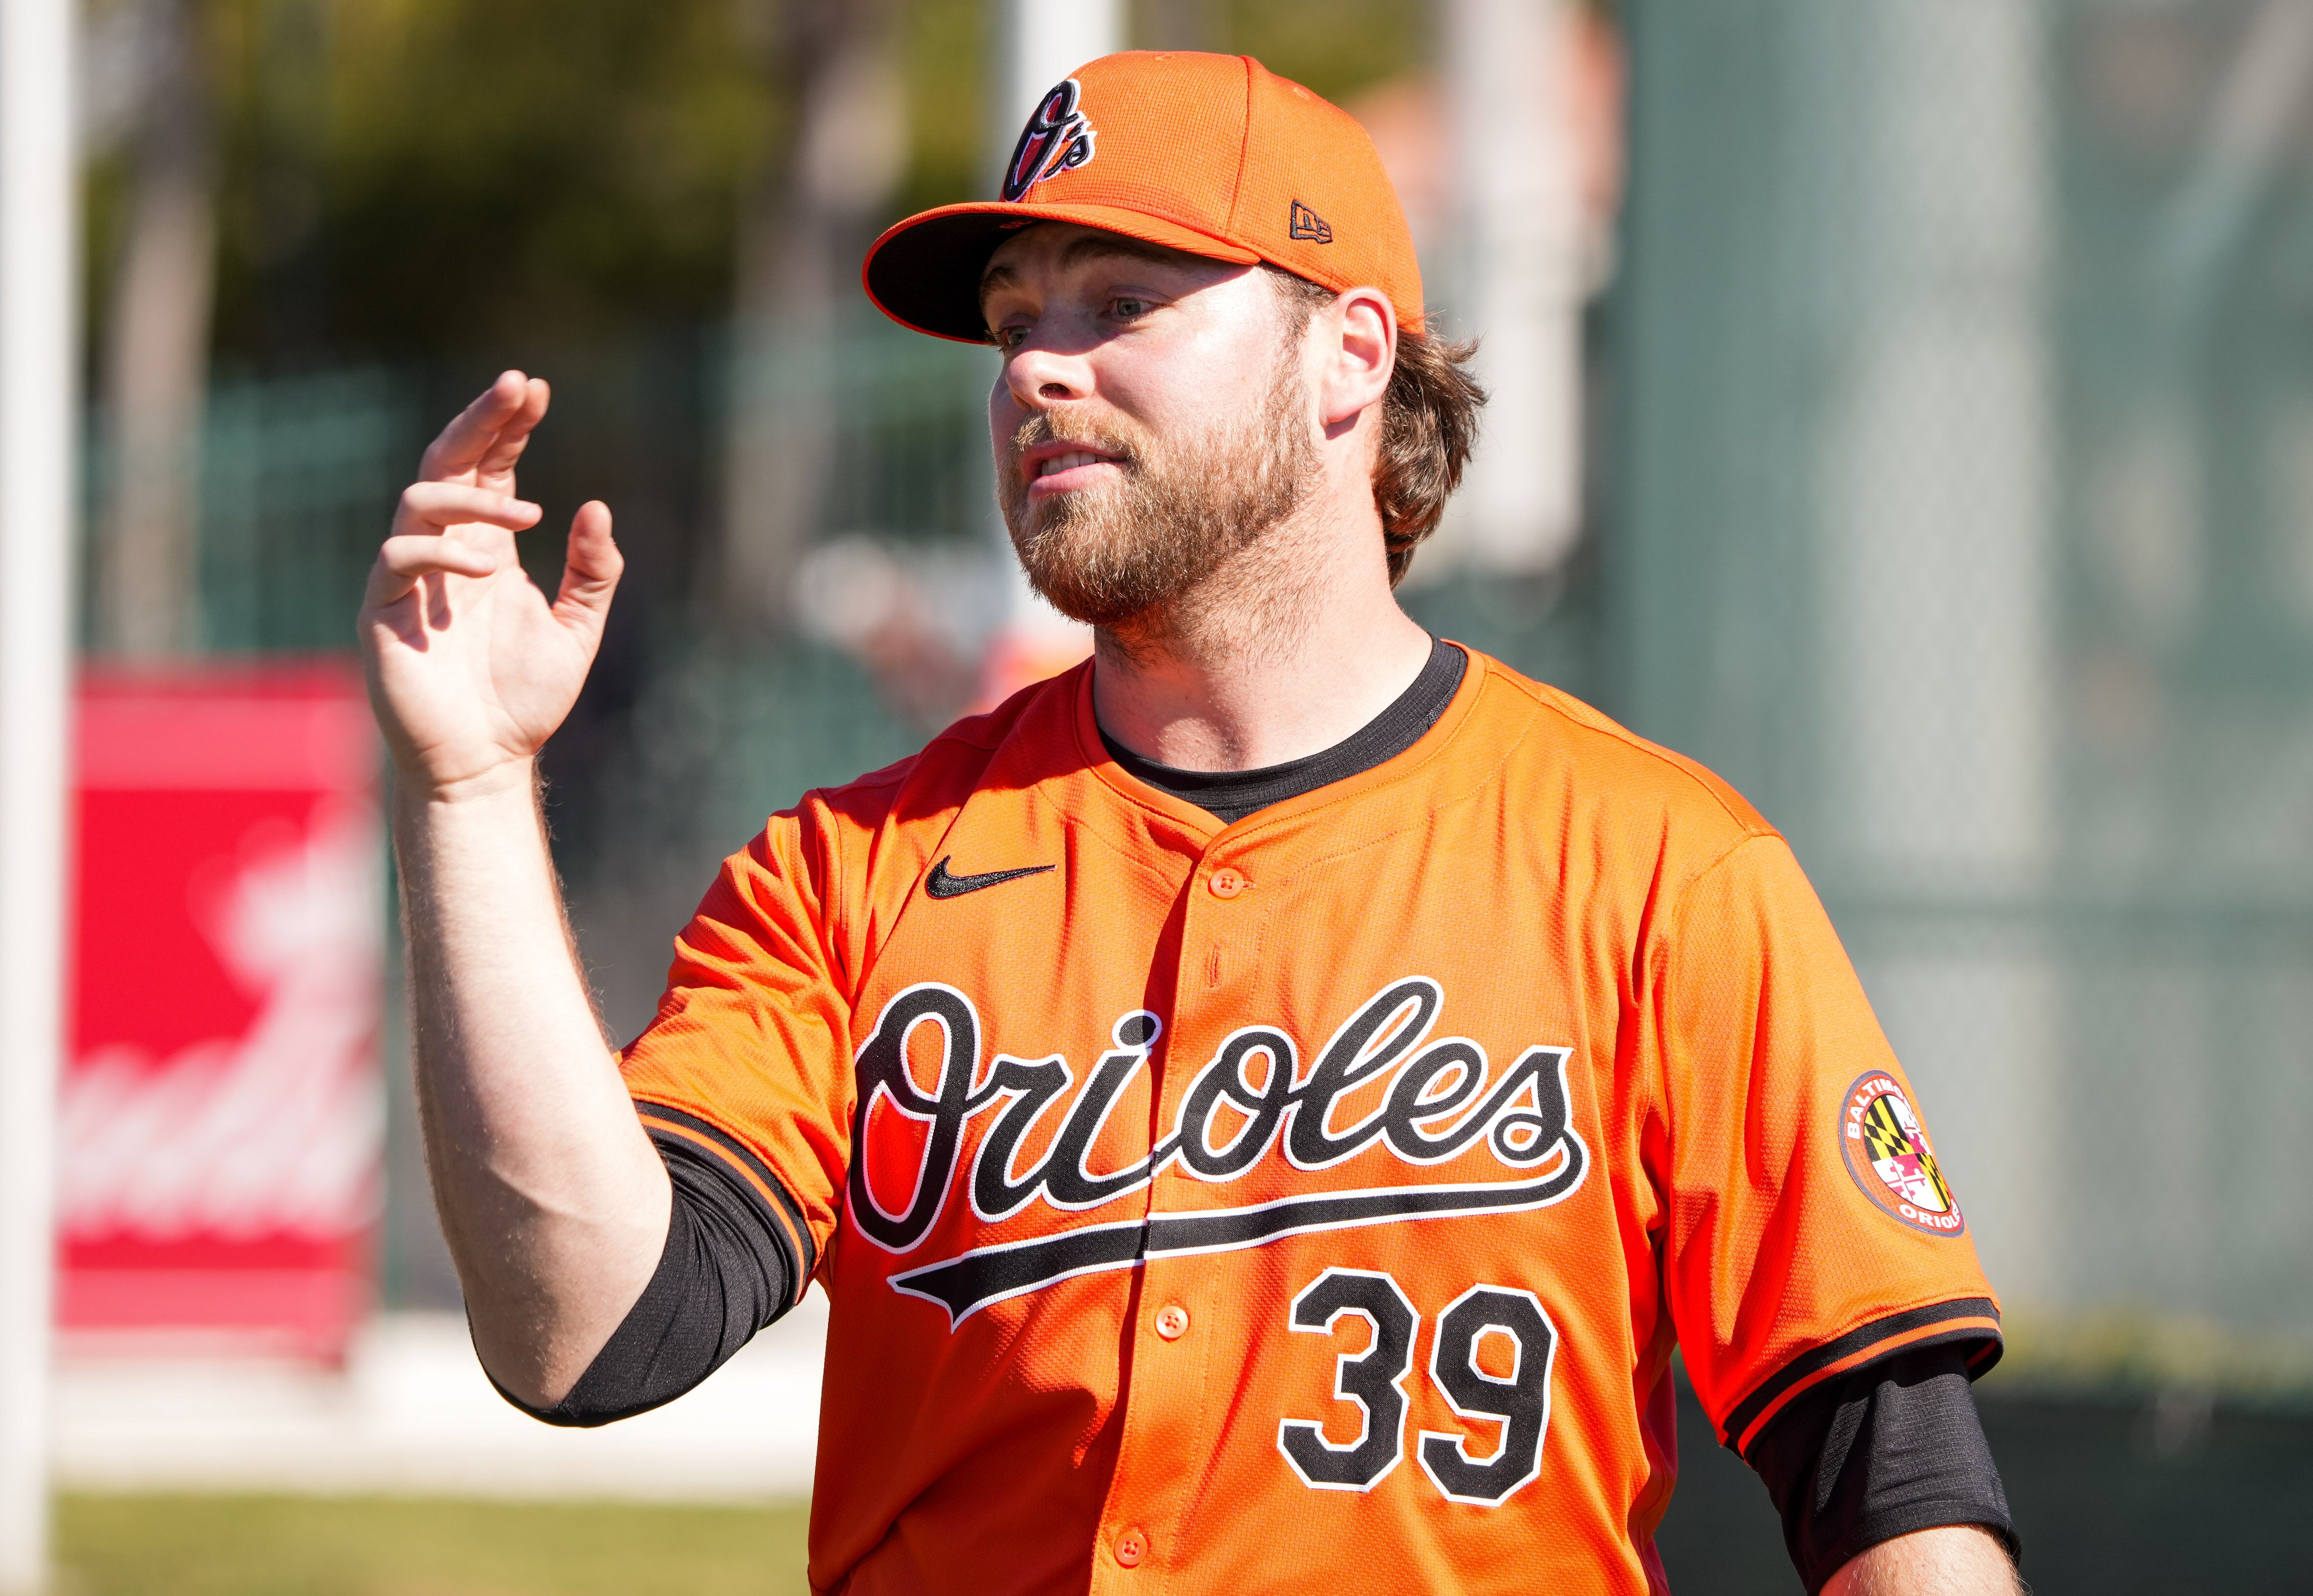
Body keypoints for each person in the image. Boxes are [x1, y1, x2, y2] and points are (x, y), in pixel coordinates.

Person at [361, 50, 2019, 1596]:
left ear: (1350, 357)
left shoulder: (1657, 871)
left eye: (1125, 302)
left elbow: (1892, 1474)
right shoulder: (846, 876)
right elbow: (584, 1329)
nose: (1040, 369)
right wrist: (470, 787)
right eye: (1014, 320)